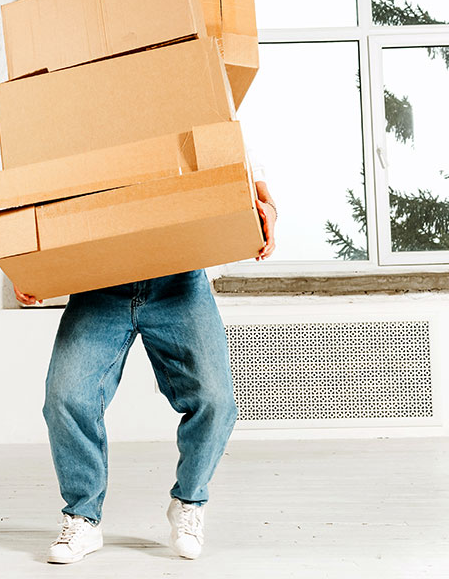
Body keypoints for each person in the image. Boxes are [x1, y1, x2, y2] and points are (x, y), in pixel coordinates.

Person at [17, 178, 277, 564]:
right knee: (66, 397)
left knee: (215, 400)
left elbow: (246, 175)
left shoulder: (192, 118)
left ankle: (188, 501)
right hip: (99, 281)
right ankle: (83, 516)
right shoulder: (77, 124)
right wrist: (35, 266)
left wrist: (267, 213)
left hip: (179, 281)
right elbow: (42, 189)